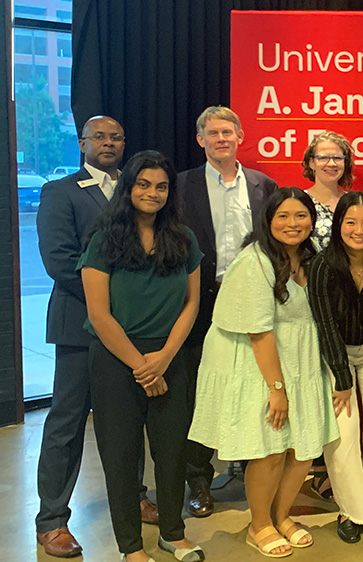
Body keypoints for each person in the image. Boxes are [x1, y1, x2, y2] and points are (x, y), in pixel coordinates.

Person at [188, 187, 339, 558]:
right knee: (270, 450)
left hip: (303, 361)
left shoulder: (310, 256)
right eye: (283, 216)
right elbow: (259, 331)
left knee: (302, 449)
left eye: (301, 216)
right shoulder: (254, 261)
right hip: (262, 363)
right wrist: (276, 389)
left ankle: (281, 516)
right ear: (268, 220)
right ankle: (260, 525)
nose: (293, 224)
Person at [35, 115, 158, 557]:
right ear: (82, 142)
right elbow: (59, 260)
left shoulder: (136, 190)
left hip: (133, 327)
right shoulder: (60, 192)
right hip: (79, 326)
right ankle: (51, 520)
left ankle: (135, 495)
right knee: (67, 422)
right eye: (99, 137)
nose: (108, 143)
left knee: (130, 418)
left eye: (116, 137)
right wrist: (110, 302)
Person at [78, 150, 204, 562]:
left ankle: (173, 533)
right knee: (120, 456)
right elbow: (98, 314)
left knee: (172, 452)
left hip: (169, 359)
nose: (153, 193)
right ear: (128, 188)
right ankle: (130, 548)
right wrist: (142, 365)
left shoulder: (184, 239)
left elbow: (191, 304)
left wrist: (165, 357)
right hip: (117, 362)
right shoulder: (104, 240)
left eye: (162, 186)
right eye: (144, 184)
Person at [178, 106, 278, 518]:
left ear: (240, 136)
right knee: (198, 392)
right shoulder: (182, 186)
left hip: (254, 298)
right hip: (199, 299)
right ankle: (198, 479)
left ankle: (248, 468)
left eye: (227, 131)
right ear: (201, 140)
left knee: (252, 386)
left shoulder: (264, 184)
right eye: (212, 133)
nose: (221, 138)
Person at [306, 191, 363, 543]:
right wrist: (342, 379)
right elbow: (325, 325)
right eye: (350, 223)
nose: (359, 230)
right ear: (338, 225)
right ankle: (351, 511)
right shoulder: (321, 266)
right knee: (343, 437)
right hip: (335, 358)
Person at [300, 130, 354, 249]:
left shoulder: (353, 203)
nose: (332, 163)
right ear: (311, 163)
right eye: (323, 158)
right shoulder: (300, 203)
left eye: (338, 158)